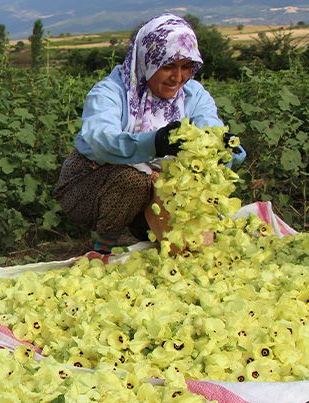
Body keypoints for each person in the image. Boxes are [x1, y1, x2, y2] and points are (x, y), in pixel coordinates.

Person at [53, 13, 245, 255]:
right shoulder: (111, 91)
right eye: (168, 66)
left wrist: (224, 147)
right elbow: (100, 139)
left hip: (156, 186)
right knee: (133, 180)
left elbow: (210, 127)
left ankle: (147, 228)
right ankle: (103, 248)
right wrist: (154, 142)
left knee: (190, 225)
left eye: (186, 67)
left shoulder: (193, 95)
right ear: (147, 61)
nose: (178, 77)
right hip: (91, 183)